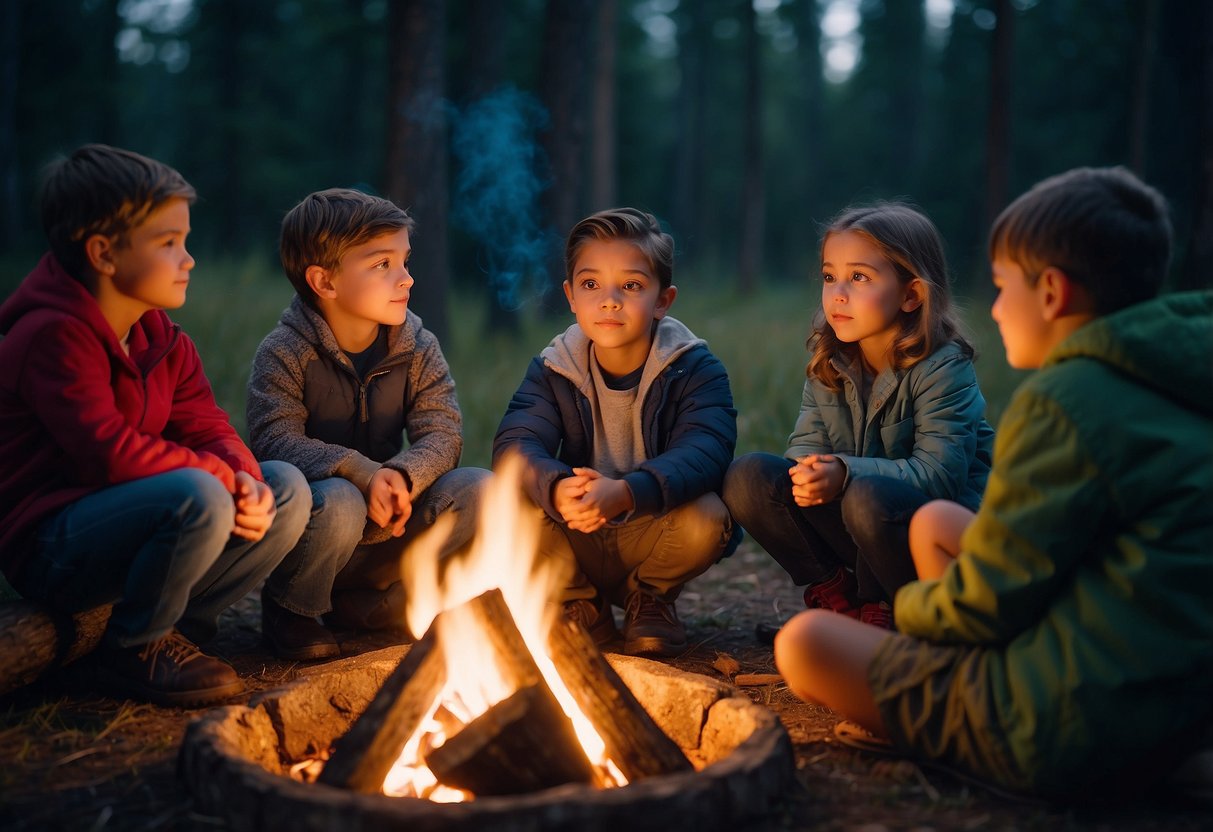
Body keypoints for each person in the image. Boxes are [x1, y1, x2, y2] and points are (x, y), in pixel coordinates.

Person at [774, 166, 1213, 799]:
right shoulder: (1175, 374)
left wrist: (913, 620)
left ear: (1054, 294)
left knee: (806, 644)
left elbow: (993, 595)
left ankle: (944, 728)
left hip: (1066, 718)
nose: (997, 308)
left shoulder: (1066, 402)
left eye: (1004, 287)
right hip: (1168, 690)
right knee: (936, 522)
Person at [0, 144, 310, 707]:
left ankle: (176, 630)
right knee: (199, 493)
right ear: (103, 253)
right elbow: (109, 454)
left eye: (185, 241)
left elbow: (207, 424)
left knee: (284, 486)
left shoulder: (161, 338)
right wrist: (218, 477)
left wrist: (242, 473)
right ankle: (133, 648)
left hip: (140, 522)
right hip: (53, 544)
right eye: (169, 244)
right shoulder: (52, 336)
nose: (188, 259)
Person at [723, 202, 993, 628]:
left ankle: (885, 608)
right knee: (747, 477)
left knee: (866, 497)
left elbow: (941, 477)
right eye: (830, 277)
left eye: (859, 277)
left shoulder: (944, 367)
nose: (838, 293)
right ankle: (838, 597)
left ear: (911, 295)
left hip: (924, 542)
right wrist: (809, 473)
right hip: (856, 526)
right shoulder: (830, 360)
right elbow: (807, 444)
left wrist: (844, 474)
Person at [247, 188, 487, 660]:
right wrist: (358, 471)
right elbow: (275, 442)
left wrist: (400, 476)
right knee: (339, 501)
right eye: (383, 265)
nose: (407, 279)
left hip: (389, 527)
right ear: (324, 282)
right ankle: (292, 610)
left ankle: (372, 607)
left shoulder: (415, 344)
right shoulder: (283, 352)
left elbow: (442, 430)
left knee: (480, 488)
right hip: (318, 529)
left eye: (405, 260)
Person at [493, 207, 738, 657]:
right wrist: (559, 485)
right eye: (591, 285)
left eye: (631, 286)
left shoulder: (694, 367)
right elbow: (516, 444)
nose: (609, 300)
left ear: (663, 300)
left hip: (654, 527)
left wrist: (627, 492)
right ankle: (579, 606)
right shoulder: (554, 368)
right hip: (576, 526)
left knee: (709, 515)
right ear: (569, 295)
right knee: (505, 491)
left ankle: (652, 598)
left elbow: (708, 449)